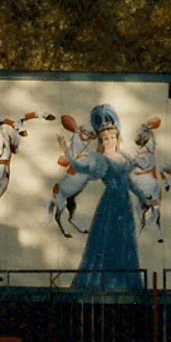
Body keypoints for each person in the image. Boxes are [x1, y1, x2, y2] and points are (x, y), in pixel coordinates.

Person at [62, 104, 143, 292]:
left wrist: (144, 198)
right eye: (105, 138)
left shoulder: (123, 157)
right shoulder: (101, 159)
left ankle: (123, 284)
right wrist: (68, 155)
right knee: (108, 241)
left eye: (112, 137)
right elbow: (83, 168)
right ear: (101, 140)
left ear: (117, 137)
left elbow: (129, 182)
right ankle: (104, 284)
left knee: (125, 241)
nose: (109, 141)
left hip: (125, 203)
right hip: (111, 203)